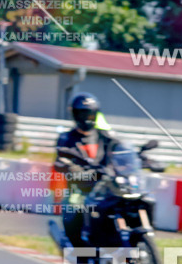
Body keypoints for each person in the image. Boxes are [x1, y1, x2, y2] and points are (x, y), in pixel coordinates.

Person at [54, 93, 131, 244]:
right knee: (74, 207)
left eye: (89, 114)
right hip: (80, 188)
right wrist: (73, 169)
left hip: (107, 186)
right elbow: (60, 160)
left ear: (96, 115)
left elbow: (122, 153)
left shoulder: (106, 136)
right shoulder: (66, 138)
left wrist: (137, 161)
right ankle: (77, 247)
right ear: (75, 115)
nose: (86, 118)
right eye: (82, 114)